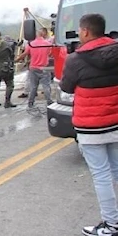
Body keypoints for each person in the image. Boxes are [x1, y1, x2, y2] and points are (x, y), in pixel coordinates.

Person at [59, 14, 118, 236]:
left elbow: (66, 87)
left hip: (91, 126)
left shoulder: (76, 59)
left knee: (102, 175)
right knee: (116, 169)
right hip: (115, 121)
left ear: (85, 31)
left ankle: (112, 225)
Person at [16, 29, 52, 107]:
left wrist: (16, 60)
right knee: (46, 85)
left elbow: (25, 54)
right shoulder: (47, 44)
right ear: (43, 35)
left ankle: (30, 102)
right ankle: (49, 101)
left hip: (33, 68)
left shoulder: (31, 44)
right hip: (44, 68)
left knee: (33, 87)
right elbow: (50, 53)